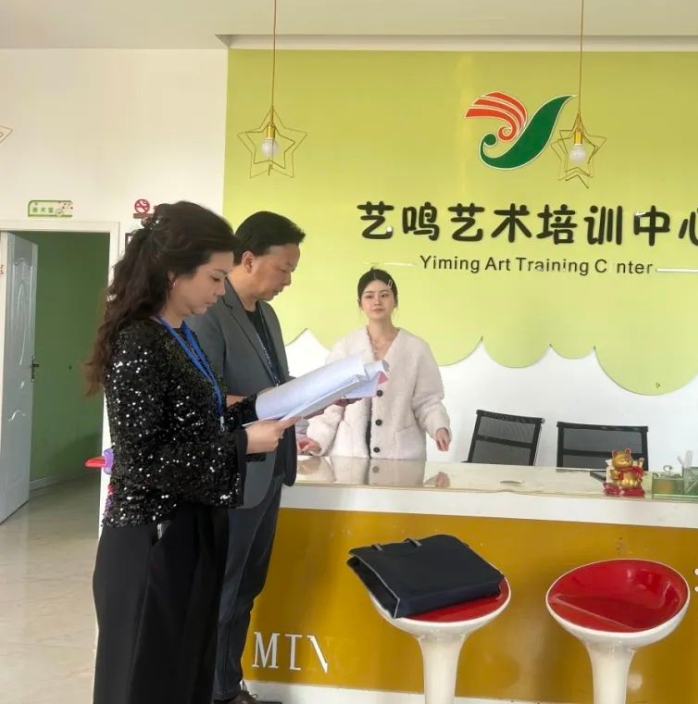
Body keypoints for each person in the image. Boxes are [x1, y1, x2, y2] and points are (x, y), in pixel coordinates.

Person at [84, 202, 295, 704]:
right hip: (151, 538)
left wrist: (267, 411)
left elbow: (204, 417)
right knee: (144, 681)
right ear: (174, 273)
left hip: (190, 528)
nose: (221, 291)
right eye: (215, 278)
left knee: (184, 674)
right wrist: (243, 443)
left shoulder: (178, 336)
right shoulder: (139, 340)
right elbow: (142, 460)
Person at [186, 211, 305, 704]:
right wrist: (275, 404)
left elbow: (272, 387)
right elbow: (205, 399)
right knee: (224, 589)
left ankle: (230, 686)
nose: (288, 280)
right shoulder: (210, 312)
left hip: (271, 471)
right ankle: (212, 691)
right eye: (284, 268)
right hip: (232, 472)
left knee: (248, 587)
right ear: (249, 259)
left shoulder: (267, 315)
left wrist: (313, 395)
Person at [300, 269, 451, 460]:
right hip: (350, 455)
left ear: (395, 300)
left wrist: (439, 427)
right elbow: (330, 401)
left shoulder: (417, 348)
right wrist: (317, 438)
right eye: (369, 296)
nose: (377, 301)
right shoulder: (346, 347)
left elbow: (427, 401)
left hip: (401, 455)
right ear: (360, 303)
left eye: (384, 295)